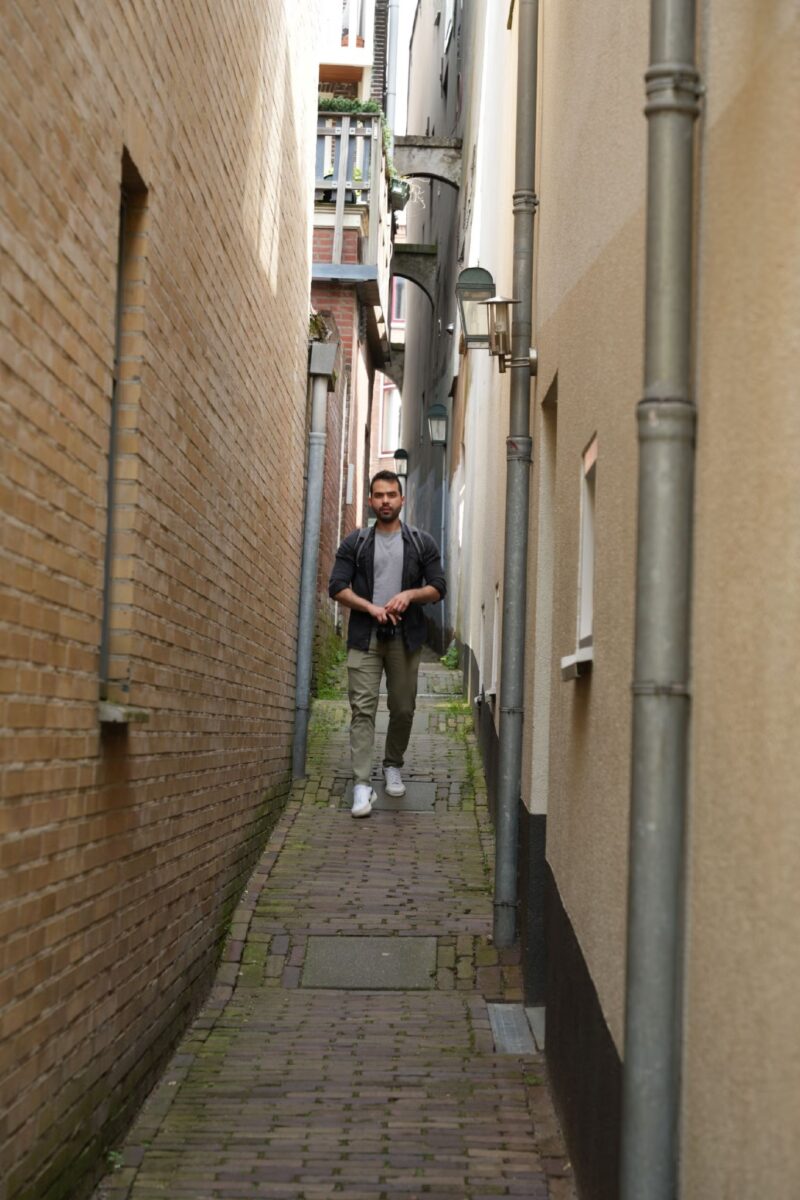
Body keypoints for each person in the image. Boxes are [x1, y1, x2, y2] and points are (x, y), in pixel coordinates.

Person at [328, 471, 446, 818]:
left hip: (405, 637)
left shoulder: (421, 542)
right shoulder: (356, 542)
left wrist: (409, 595)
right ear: (370, 500)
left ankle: (393, 764)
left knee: (404, 707)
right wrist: (370, 608)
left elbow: (438, 586)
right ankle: (362, 784)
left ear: (401, 499)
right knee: (362, 709)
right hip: (364, 637)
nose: (385, 501)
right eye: (378, 495)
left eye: (391, 495)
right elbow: (336, 586)